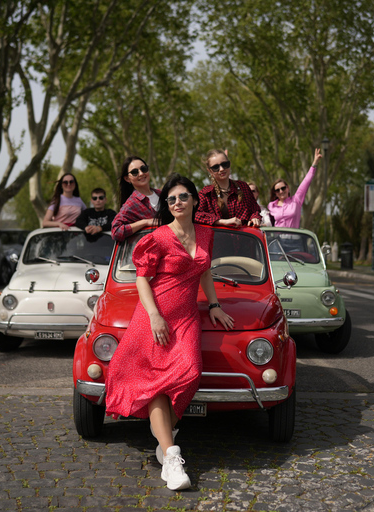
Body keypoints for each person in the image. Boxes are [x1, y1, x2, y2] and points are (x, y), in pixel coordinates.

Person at [105, 174, 234, 491]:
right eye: (172, 199)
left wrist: (215, 304)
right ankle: (172, 457)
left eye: (183, 197)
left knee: (189, 372)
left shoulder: (205, 234)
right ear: (168, 205)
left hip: (187, 316)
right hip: (155, 318)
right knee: (157, 385)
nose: (177, 203)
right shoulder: (159, 237)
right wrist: (154, 316)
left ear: (194, 200)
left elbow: (204, 271)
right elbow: (141, 280)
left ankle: (162, 441)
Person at [195, 149, 261, 228]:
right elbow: (195, 214)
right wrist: (221, 222)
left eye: (225, 164)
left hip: (244, 238)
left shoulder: (243, 187)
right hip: (217, 239)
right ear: (210, 171)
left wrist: (254, 217)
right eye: (216, 167)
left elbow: (254, 209)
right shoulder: (206, 193)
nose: (222, 169)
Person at [267, 148, 322, 228]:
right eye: (277, 190)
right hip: (277, 239)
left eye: (283, 188)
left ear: (288, 188)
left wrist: (315, 163)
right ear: (275, 193)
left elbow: (306, 182)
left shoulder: (296, 200)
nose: (281, 191)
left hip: (293, 240)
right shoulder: (271, 206)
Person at [111, 156, 160, 242]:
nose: (141, 173)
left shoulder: (163, 194)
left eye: (143, 168)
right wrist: (145, 222)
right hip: (151, 253)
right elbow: (116, 232)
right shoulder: (131, 204)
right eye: (134, 172)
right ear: (127, 178)